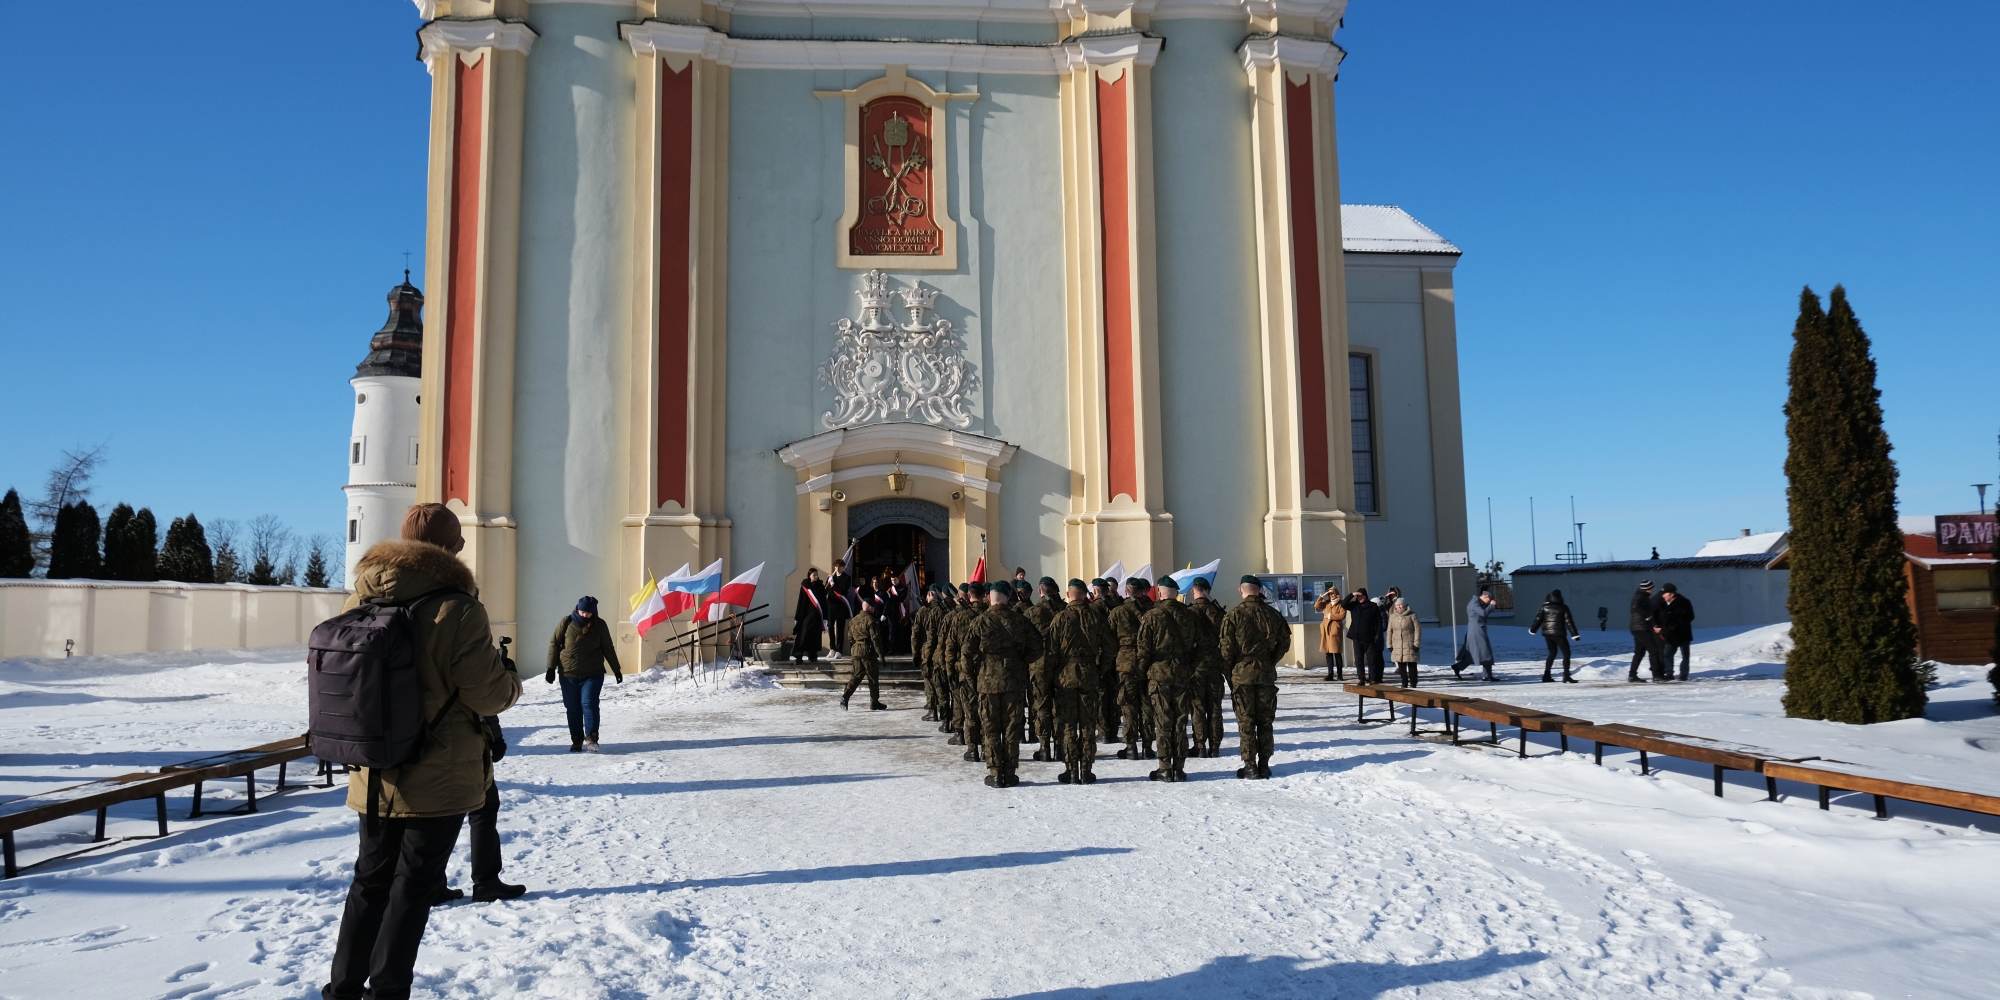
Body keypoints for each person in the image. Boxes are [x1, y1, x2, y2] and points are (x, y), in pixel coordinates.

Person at [324, 503, 523, 1000]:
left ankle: (342, 990)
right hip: (438, 771)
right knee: (412, 889)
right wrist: (511, 679)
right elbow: (488, 695)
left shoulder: (359, 598)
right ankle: (388, 993)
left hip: (374, 767)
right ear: (450, 547)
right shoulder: (458, 609)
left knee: (369, 882)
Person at [962, 582, 1043, 787]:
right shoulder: (1020, 621)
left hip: (986, 682)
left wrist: (973, 679)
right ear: (1007, 597)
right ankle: (1010, 772)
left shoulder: (979, 622)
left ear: (989, 597)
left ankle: (995, 773)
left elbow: (966, 654)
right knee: (1011, 728)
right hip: (1013, 681)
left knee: (990, 728)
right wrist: (1020, 661)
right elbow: (1038, 647)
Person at [1221, 576, 1289, 779]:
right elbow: (1284, 642)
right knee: (1265, 721)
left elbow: (1226, 650)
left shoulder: (1233, 616)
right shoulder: (1273, 614)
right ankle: (1265, 765)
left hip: (1242, 674)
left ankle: (1250, 766)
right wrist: (1269, 660)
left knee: (1246, 721)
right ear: (1259, 591)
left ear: (1240, 591)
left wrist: (1231, 671)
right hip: (1265, 673)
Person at [545, 595, 623, 752]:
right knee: (572, 707)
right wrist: (550, 668)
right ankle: (576, 739)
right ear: (577, 609)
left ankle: (592, 738)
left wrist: (616, 669)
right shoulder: (566, 622)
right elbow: (554, 644)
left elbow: (608, 648)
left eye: (588, 613)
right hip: (568, 674)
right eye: (582, 612)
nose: (584, 615)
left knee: (589, 704)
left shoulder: (599, 625)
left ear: (594, 612)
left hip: (592, 673)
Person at [1136, 577, 1195, 781]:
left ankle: (1165, 767)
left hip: (1158, 674)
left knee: (1163, 721)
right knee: (1180, 721)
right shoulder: (1190, 615)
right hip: (1182, 673)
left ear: (1160, 593)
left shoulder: (1151, 616)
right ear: (1176, 593)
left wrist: (1141, 674)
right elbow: (1202, 646)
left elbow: (1143, 649)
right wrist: (1188, 667)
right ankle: (1178, 768)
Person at [1048, 580, 1102, 784]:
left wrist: (1051, 676)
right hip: (1089, 675)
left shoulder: (1060, 618)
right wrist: (1098, 670)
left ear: (1068, 594)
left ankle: (1071, 770)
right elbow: (1109, 648)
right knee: (1088, 724)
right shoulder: (1096, 617)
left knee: (1068, 724)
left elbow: (1050, 652)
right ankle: (1086, 770)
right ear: (1084, 594)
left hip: (1065, 677)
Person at [1108, 577, 1154, 760]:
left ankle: (1131, 746)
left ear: (1126, 591)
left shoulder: (1117, 612)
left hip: (1125, 664)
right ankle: (1148, 746)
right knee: (1146, 704)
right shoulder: (1151, 611)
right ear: (1142, 591)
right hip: (1147, 662)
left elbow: (1110, 641)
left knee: (1128, 705)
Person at [1184, 577, 1229, 758]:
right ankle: (1215, 746)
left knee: (1198, 706)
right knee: (1215, 706)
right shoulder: (1219, 613)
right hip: (1215, 664)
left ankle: (1200, 745)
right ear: (1208, 591)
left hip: (1196, 666)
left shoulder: (1189, 613)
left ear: (1193, 591)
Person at [1024, 578, 1062, 761]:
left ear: (1040, 591)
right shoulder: (1065, 611)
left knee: (1042, 706)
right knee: (1060, 706)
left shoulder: (1032, 612)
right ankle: (1061, 747)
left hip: (1039, 665)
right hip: (1061, 664)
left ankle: (1045, 747)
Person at [1088, 579, 1123, 742]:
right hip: (1116, 654)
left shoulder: (1093, 608)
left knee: (1101, 694)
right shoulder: (1116, 606)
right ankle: (1113, 730)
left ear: (1095, 591)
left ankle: (1103, 731)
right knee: (1113, 693)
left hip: (1100, 655)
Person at [841, 592, 886, 710]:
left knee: (857, 675)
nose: (874, 609)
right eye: (873, 607)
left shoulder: (854, 620)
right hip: (868, 651)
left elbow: (850, 638)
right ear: (870, 607)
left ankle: (846, 695)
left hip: (856, 650)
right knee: (873, 677)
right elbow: (875, 639)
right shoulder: (871, 620)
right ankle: (874, 702)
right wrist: (881, 655)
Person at [1528, 589, 1582, 683]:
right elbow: (1569, 622)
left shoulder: (1544, 607)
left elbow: (1538, 620)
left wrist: (1533, 630)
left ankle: (1546, 675)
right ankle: (1566, 676)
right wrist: (1575, 635)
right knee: (1566, 653)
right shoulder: (1563, 607)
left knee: (1552, 653)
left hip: (1548, 634)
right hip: (1559, 634)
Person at [1343, 588, 1385, 685]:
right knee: (1359, 659)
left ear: (1366, 596)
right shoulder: (1354, 605)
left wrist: (1378, 634)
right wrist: (1352, 594)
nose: (1360, 598)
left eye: (1362, 596)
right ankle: (1361, 678)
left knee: (1371, 660)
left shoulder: (1373, 606)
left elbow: (1379, 622)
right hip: (1357, 637)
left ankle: (1372, 678)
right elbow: (1343, 604)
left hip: (1370, 637)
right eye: (1358, 596)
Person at [1655, 583, 1696, 680]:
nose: (1663, 595)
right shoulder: (1663, 604)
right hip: (1669, 634)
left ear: (1671, 594)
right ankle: (1669, 673)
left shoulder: (1684, 602)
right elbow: (1659, 617)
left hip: (1683, 633)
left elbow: (1689, 616)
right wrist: (1659, 626)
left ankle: (1684, 674)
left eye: (1665, 593)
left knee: (1685, 655)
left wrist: (1675, 624)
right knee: (1667, 654)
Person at [1627, 580, 1662, 683]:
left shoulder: (1641, 595)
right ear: (1648, 588)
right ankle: (1656, 676)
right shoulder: (1641, 596)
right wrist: (1647, 615)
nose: (1653, 590)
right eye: (1652, 588)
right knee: (1654, 650)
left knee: (1640, 652)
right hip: (1641, 628)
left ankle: (1632, 675)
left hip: (1638, 627)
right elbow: (1636, 607)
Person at [1312, 585, 1347, 680]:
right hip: (1326, 631)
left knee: (1337, 653)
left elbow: (1342, 615)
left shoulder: (1341, 603)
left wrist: (1330, 616)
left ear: (1336, 594)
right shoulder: (1327, 603)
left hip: (1335, 630)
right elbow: (1317, 606)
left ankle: (1340, 674)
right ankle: (1330, 673)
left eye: (1333, 593)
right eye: (1330, 594)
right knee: (1328, 653)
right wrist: (1322, 596)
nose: (1331, 595)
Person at [792, 568, 826, 663]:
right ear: (809, 576)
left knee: (815, 636)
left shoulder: (820, 587)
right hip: (805, 615)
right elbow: (800, 602)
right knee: (803, 635)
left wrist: (825, 617)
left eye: (817, 574)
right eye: (814, 575)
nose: (816, 576)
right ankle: (799, 656)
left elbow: (824, 602)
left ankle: (813, 656)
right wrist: (797, 616)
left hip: (816, 615)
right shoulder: (804, 587)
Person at [1463, 589, 1498, 681]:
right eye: (1489, 600)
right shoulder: (1474, 603)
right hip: (1476, 630)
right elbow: (1483, 613)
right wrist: (1491, 606)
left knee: (1475, 653)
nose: (1489, 602)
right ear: (1485, 597)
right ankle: (1487, 675)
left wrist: (1489, 606)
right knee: (1485, 652)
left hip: (1477, 629)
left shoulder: (1477, 603)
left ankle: (1458, 667)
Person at [1386, 597, 1421, 687]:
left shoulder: (1412, 615)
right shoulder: (1392, 616)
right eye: (1397, 605)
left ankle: (1413, 682)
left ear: (1404, 605)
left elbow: (1417, 630)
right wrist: (1389, 644)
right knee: (1401, 665)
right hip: (1397, 644)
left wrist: (1416, 643)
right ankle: (1404, 682)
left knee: (1412, 664)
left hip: (1410, 643)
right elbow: (1390, 631)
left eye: (1400, 605)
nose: (1399, 607)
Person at [825, 558, 853, 659]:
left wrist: (833, 584)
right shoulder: (831, 577)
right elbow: (826, 590)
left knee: (840, 629)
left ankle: (839, 650)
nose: (837, 568)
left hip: (841, 606)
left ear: (843, 567)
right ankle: (832, 648)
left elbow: (842, 591)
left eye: (839, 566)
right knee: (830, 628)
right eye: (836, 566)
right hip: (831, 606)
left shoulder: (847, 578)